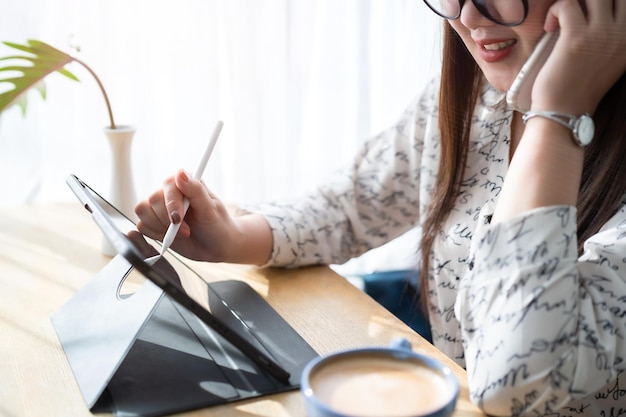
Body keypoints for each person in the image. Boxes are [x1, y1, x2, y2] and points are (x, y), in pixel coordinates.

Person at [135, 1, 626, 415]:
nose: (470, 15)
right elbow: (356, 203)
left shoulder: (541, 100)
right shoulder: (481, 97)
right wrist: (236, 235)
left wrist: (558, 115)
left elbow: (516, 380)